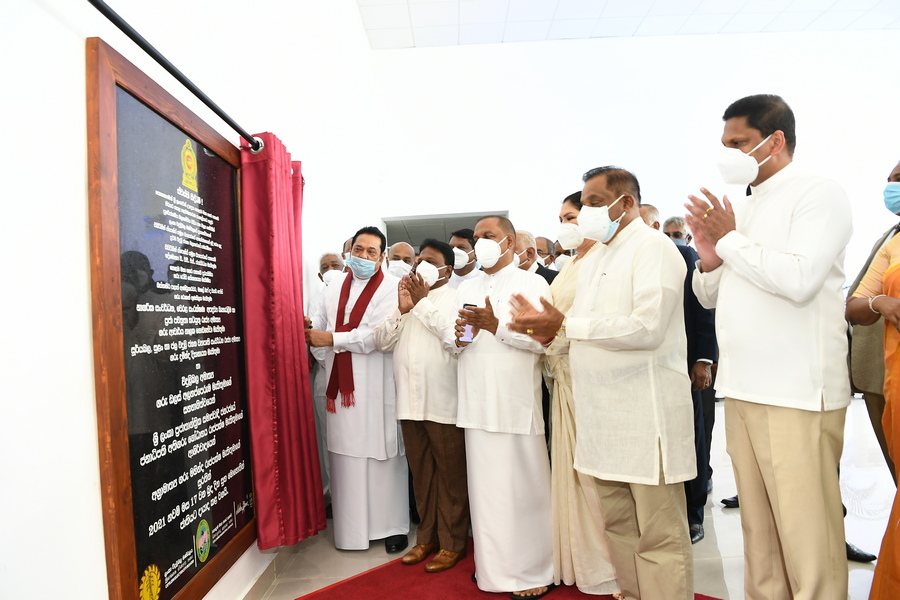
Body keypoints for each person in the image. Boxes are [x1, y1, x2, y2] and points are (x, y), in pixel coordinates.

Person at [686, 94, 851, 600]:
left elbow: (799, 280)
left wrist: (730, 241)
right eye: (724, 144)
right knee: (759, 535)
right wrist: (711, 257)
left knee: (808, 538)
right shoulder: (744, 207)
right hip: (744, 388)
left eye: (737, 142)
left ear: (774, 140)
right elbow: (712, 296)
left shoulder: (817, 193)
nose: (727, 153)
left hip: (796, 391)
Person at [511, 167, 696, 600]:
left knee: (659, 537)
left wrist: (566, 324)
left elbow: (647, 327)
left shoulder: (654, 248)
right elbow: (578, 330)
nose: (586, 211)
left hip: (645, 419)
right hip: (601, 421)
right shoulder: (596, 259)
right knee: (619, 530)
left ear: (626, 203)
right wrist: (545, 331)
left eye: (594, 202)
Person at [454, 216, 555, 599]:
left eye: (488, 236)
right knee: (486, 494)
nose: (479, 242)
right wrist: (459, 338)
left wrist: (496, 325)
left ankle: (534, 571)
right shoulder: (470, 284)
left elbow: (544, 340)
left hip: (515, 404)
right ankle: (492, 570)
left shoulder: (532, 282)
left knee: (524, 492)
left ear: (510, 242)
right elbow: (457, 341)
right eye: (476, 237)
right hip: (476, 403)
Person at [306, 226, 409, 554]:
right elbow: (320, 328)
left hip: (378, 382)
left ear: (382, 257)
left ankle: (392, 526)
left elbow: (376, 336)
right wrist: (321, 344)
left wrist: (333, 341)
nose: (363, 256)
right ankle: (352, 531)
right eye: (358, 249)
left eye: (371, 252)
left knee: (383, 453)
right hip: (341, 386)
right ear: (349, 251)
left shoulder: (393, 288)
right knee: (346, 455)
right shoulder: (334, 286)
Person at [373, 239, 470, 573]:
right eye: (418, 261)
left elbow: (454, 340)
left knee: (451, 478)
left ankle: (453, 543)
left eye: (429, 261)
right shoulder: (403, 298)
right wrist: (402, 310)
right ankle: (425, 538)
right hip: (409, 404)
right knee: (422, 476)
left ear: (447, 269)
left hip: (444, 403)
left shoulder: (456, 297)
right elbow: (381, 341)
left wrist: (422, 303)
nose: (419, 267)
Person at [543, 191, 619, 595]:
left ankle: (611, 567)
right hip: (564, 379)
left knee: (598, 480)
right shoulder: (572, 264)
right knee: (573, 474)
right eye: (560, 218)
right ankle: (580, 560)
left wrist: (552, 332)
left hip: (590, 379)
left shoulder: (604, 261)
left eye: (571, 217)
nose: (564, 225)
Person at [641, 206, 717, 545]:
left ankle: (693, 514)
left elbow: (700, 308)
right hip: (639, 371)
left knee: (690, 439)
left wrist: (703, 359)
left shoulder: (682, 254)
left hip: (680, 366)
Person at [846, 160, 900, 599]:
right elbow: (856, 305)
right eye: (891, 181)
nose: (892, 187)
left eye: (899, 180)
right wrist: (881, 301)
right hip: (889, 378)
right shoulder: (892, 239)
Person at [310, 251, 346, 512]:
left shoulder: (355, 294)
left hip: (356, 381)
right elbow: (314, 341)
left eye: (336, 264)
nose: (331, 269)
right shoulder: (317, 299)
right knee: (330, 441)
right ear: (320, 275)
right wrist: (334, 359)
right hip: (327, 381)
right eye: (326, 267)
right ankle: (336, 496)